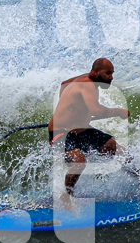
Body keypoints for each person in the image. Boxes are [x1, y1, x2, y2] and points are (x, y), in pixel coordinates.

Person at [47, 58, 133, 197]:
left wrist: (71, 106)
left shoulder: (86, 80)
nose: (111, 77)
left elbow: (64, 84)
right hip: (60, 131)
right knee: (79, 162)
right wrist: (118, 111)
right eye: (108, 73)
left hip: (82, 129)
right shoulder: (87, 84)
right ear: (96, 72)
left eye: (112, 73)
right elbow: (96, 111)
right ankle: (66, 197)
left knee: (120, 152)